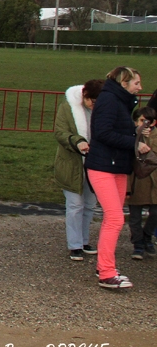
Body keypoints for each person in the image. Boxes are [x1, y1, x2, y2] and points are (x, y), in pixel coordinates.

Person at [86, 66, 149, 290]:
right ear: (124, 83)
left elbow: (117, 131)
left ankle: (104, 265)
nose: (140, 88)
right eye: (136, 83)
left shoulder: (119, 101)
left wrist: (137, 134)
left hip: (116, 167)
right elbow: (102, 133)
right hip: (103, 166)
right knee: (114, 219)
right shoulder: (110, 101)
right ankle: (106, 272)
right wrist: (134, 143)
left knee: (112, 218)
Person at [54, 80, 103, 261]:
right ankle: (74, 245)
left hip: (95, 163)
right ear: (84, 95)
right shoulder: (67, 107)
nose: (93, 105)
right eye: (92, 101)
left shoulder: (102, 110)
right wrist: (77, 141)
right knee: (75, 205)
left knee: (89, 204)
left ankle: (84, 240)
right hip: (72, 162)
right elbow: (60, 132)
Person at [128, 105, 157, 261]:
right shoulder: (130, 135)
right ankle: (138, 243)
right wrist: (137, 138)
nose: (144, 124)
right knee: (135, 216)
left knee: (155, 213)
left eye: (147, 121)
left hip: (154, 182)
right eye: (141, 121)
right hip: (136, 181)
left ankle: (147, 236)